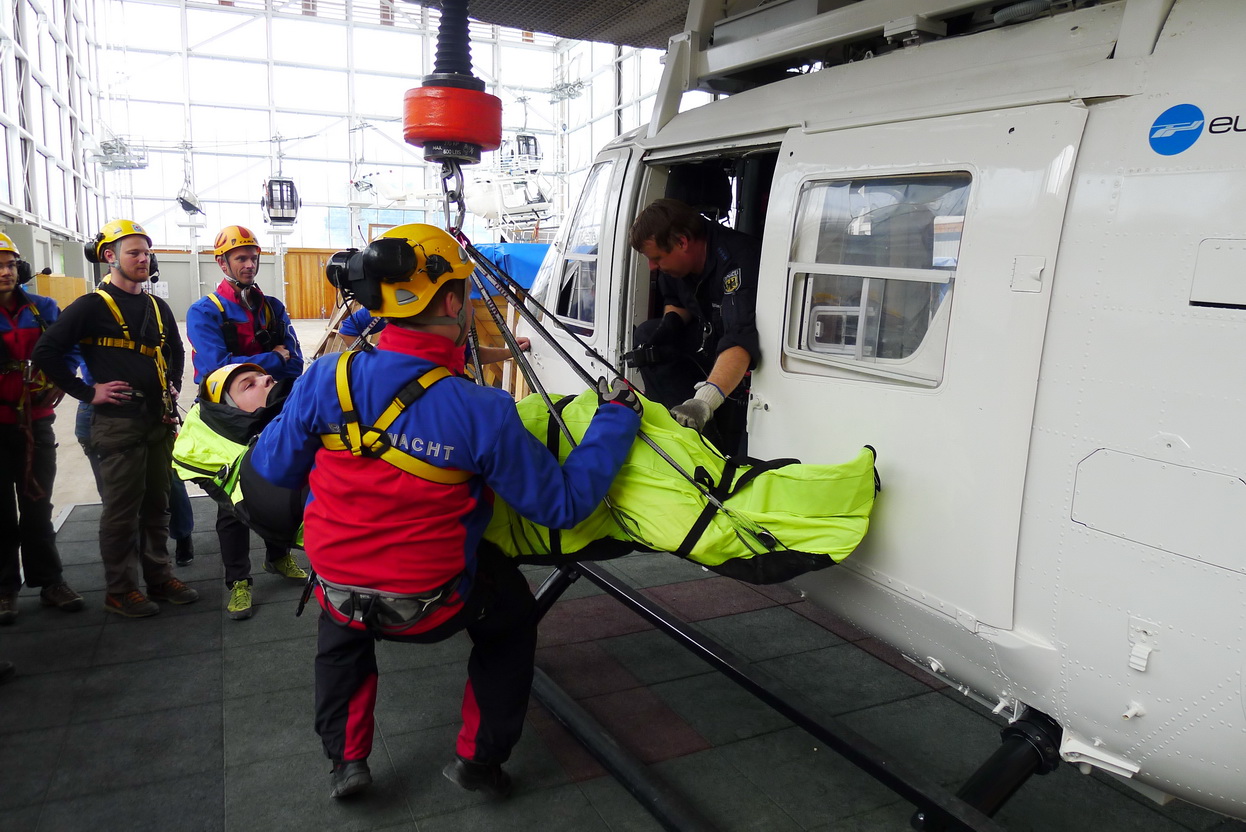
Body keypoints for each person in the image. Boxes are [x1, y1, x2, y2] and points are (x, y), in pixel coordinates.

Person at [250, 224, 641, 800]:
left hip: (338, 591)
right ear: (454, 303)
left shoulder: (326, 378)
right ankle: (478, 761)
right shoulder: (483, 409)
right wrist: (615, 419)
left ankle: (346, 762)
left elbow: (272, 468)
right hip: (434, 605)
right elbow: (562, 504)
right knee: (511, 621)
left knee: (340, 635)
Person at [32, 219, 199, 617]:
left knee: (157, 504)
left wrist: (173, 383)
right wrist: (88, 392)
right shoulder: (92, 306)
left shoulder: (156, 306)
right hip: (117, 423)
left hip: (157, 419)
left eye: (147, 253)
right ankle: (120, 591)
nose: (143, 259)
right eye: (134, 253)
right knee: (123, 511)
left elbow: (174, 348)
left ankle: (159, 577)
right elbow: (45, 352)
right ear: (110, 256)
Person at [185, 225, 307, 621]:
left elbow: (296, 362)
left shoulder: (272, 307)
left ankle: (278, 555)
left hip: (272, 410)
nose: (249, 264)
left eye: (253, 257)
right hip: (226, 419)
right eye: (241, 258)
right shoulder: (205, 311)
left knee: (282, 483)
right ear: (222, 263)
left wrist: (255, 367)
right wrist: (272, 358)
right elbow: (215, 369)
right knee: (231, 502)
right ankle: (238, 579)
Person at [626, 197, 761, 456]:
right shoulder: (676, 266)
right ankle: (674, 433)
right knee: (647, 336)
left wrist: (703, 403)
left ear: (682, 242)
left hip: (738, 358)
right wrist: (670, 325)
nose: (652, 267)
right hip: (707, 341)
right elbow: (676, 301)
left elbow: (739, 340)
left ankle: (705, 443)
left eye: (657, 258)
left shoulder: (739, 261)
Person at [0, 231, 83, 624]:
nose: (5, 272)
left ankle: (50, 582)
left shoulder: (43, 308)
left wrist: (61, 377)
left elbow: (72, 345)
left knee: (37, 506)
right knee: (0, 512)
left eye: (10, 264)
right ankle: (5, 588)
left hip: (36, 423)